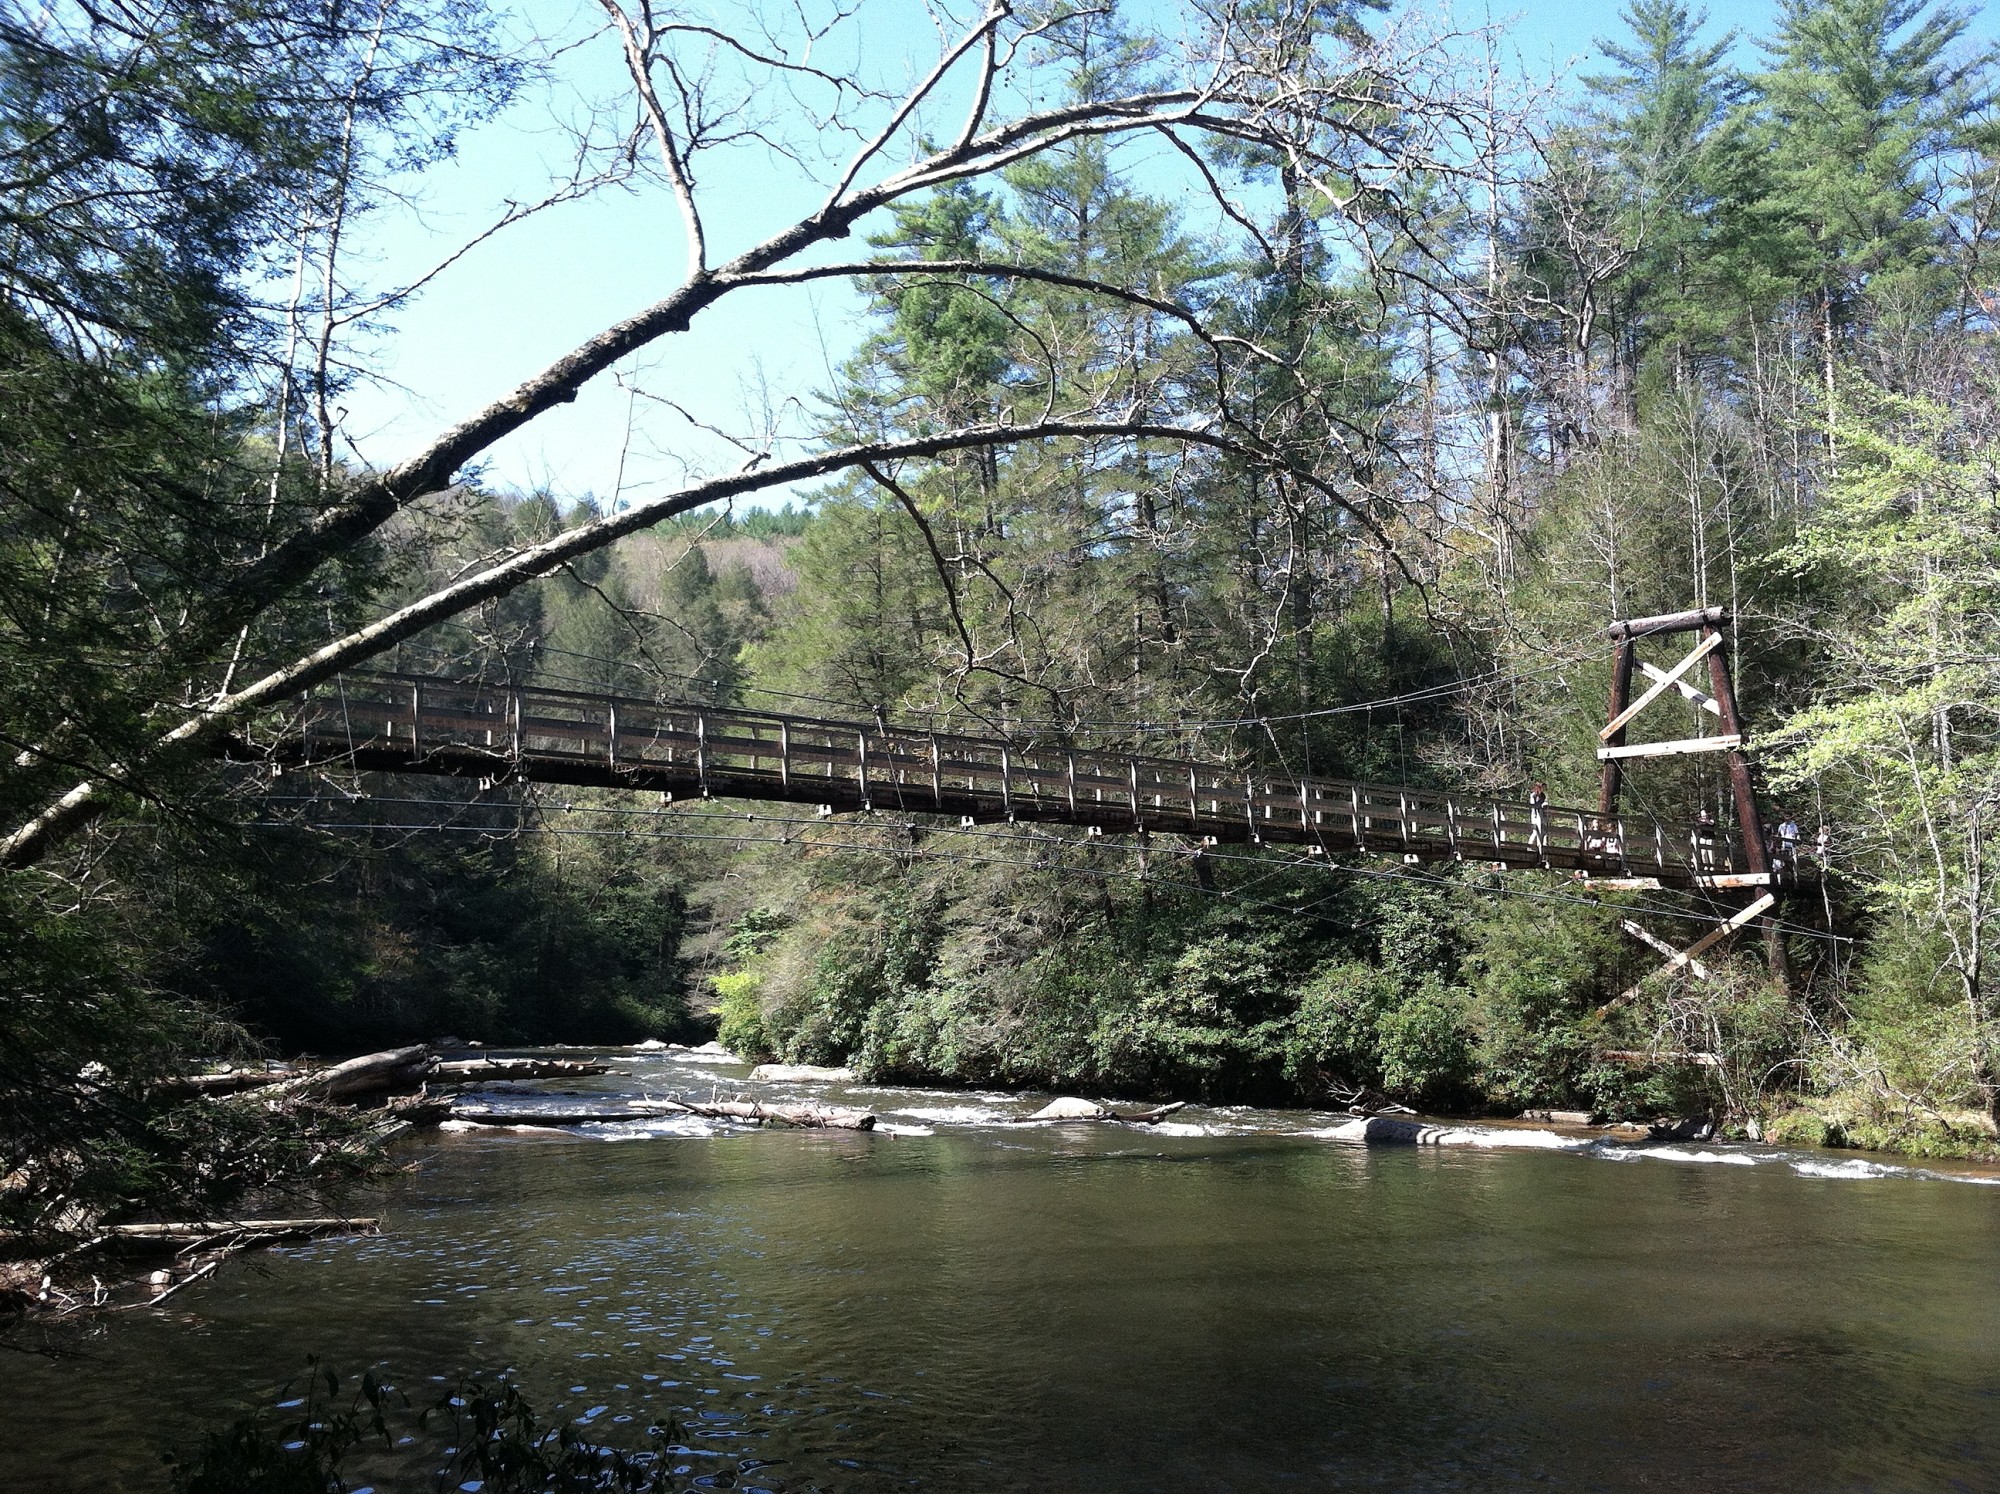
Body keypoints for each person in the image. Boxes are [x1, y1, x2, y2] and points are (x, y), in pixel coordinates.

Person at [1528, 780, 1548, 854]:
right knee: (1535, 831)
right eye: (1542, 787)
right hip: (1535, 814)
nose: (1543, 789)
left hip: (1541, 814)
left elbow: (1542, 803)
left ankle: (1542, 845)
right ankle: (1530, 845)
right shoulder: (1533, 795)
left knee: (1543, 829)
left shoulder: (1543, 796)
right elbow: (1533, 805)